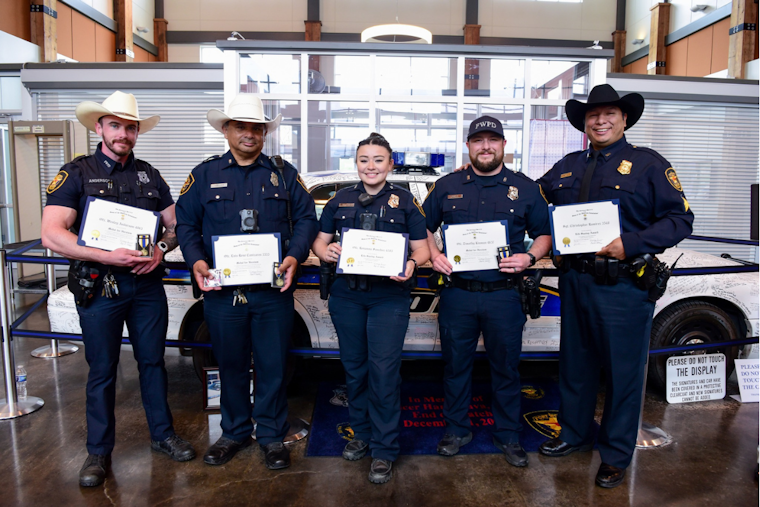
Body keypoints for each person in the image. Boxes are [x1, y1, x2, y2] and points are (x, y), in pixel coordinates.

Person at [536, 84, 694, 488]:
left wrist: (632, 243)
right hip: (576, 282)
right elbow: (534, 198)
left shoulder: (649, 165)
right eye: (593, 115)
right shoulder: (567, 165)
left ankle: (616, 455)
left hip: (623, 287)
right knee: (575, 367)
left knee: (623, 375)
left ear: (625, 119)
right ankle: (573, 434)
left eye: (609, 114)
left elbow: (680, 220)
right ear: (584, 123)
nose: (600, 120)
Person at [40, 91, 195, 488]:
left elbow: (175, 226)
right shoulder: (76, 172)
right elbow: (52, 234)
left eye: (130, 127)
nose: (123, 133)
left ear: (137, 131)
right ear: (99, 127)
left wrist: (161, 249)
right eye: (115, 125)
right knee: (102, 370)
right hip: (100, 286)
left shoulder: (149, 174)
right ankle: (98, 451)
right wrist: (105, 256)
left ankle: (162, 436)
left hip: (145, 286)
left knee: (153, 363)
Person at [175, 94, 318, 470]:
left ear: (265, 134)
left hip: (273, 292)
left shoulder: (284, 174)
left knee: (273, 364)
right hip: (223, 294)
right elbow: (186, 224)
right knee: (231, 364)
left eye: (257, 128)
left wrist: (295, 255)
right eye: (241, 126)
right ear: (226, 130)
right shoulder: (203, 174)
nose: (250, 134)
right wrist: (197, 261)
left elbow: (306, 219)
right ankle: (235, 431)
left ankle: (271, 434)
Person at [422, 116, 553, 467]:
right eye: (478, 140)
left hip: (505, 295)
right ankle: (456, 429)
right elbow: (420, 227)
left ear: (503, 145)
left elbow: (545, 233)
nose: (485, 146)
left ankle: (508, 434)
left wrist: (530, 256)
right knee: (455, 366)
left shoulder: (525, 188)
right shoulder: (447, 186)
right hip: (458, 294)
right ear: (468, 146)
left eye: (492, 140)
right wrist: (434, 255)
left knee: (507, 368)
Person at [312, 133, 430, 484]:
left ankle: (384, 449)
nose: (371, 166)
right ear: (357, 163)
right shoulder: (339, 200)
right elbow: (320, 241)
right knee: (355, 370)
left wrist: (411, 264)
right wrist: (325, 252)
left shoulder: (406, 201)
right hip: (347, 297)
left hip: (387, 298)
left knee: (384, 373)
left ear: (390, 164)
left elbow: (422, 250)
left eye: (379, 159)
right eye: (364, 159)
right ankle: (361, 435)